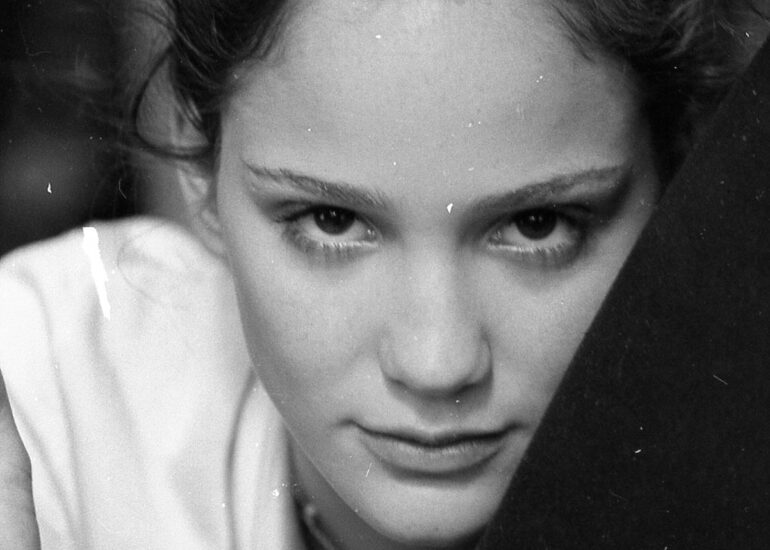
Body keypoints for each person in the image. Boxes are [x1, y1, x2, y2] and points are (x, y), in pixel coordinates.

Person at [0, 1, 764, 548]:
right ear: (202, 173)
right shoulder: (46, 397)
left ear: (679, 177)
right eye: (331, 221)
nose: (437, 365)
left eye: (538, 225)